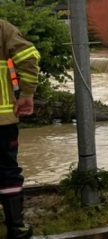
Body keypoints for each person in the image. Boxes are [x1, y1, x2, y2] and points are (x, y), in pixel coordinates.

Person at [0, 19, 39, 239]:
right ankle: (16, 228)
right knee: (7, 172)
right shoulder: (3, 28)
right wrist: (27, 94)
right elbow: (28, 57)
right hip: (2, 121)